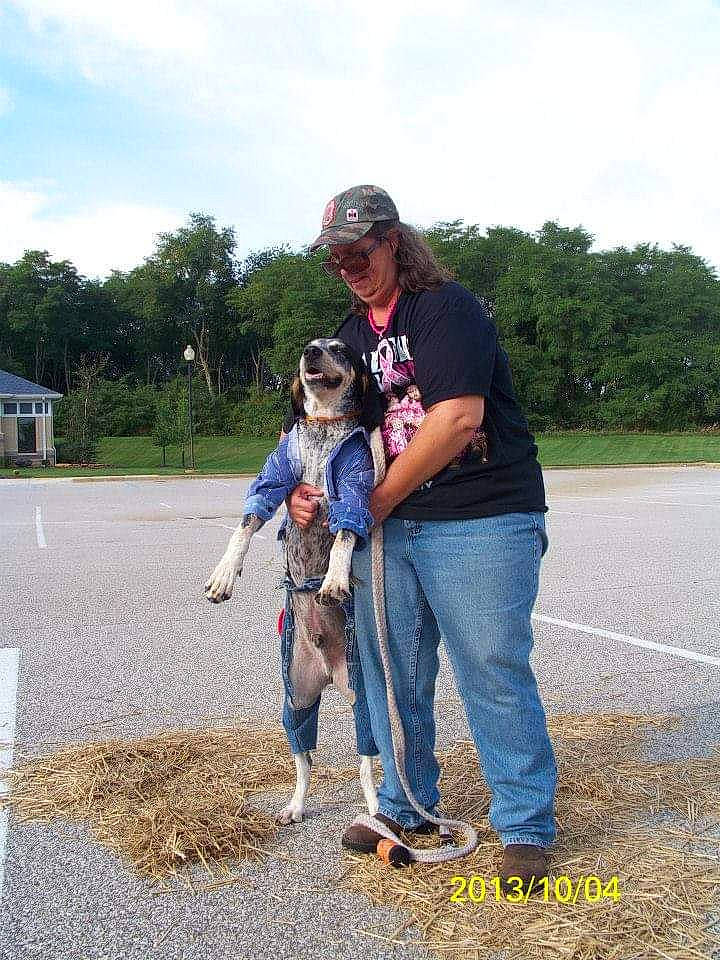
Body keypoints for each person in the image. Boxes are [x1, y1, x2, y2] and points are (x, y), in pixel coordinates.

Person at [282, 185, 556, 889]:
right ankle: (404, 805)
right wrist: (303, 491)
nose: (348, 266)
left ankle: (524, 826)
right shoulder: (351, 332)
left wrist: (367, 503)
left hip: (481, 515)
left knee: (490, 667)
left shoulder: (445, 310)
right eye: (335, 259)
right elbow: (326, 427)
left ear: (394, 241)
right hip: (393, 525)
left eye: (359, 251)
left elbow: (458, 418)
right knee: (390, 668)